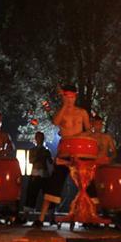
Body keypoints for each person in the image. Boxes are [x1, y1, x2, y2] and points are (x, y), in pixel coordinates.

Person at [34, 84, 91, 227]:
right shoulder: (61, 113)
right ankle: (42, 218)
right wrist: (64, 105)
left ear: (75, 97)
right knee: (55, 183)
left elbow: (89, 130)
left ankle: (89, 217)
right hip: (65, 150)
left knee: (86, 183)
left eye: (72, 97)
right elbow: (55, 122)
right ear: (64, 97)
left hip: (79, 150)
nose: (70, 100)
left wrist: (79, 137)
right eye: (67, 97)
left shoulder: (82, 112)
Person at [21, 131, 52, 219]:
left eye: (41, 138)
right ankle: (26, 215)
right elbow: (31, 160)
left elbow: (50, 162)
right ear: (35, 139)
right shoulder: (33, 150)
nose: (39, 140)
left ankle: (50, 214)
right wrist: (40, 155)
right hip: (35, 173)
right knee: (31, 194)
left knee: (47, 195)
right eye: (38, 138)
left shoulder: (46, 151)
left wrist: (46, 156)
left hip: (44, 174)